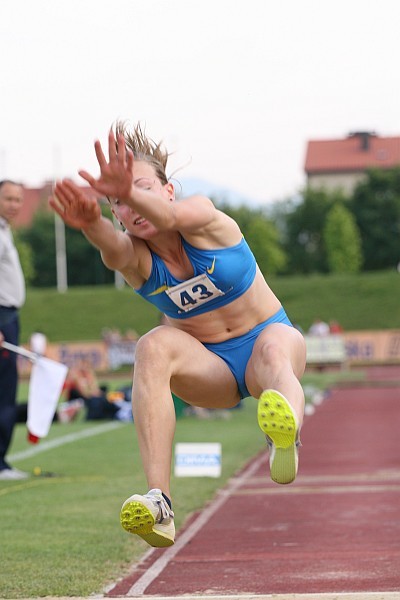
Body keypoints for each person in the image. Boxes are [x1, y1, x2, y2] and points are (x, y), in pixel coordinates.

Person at [50, 123, 306, 547]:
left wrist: (128, 192)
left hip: (267, 340)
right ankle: (160, 503)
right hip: (212, 372)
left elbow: (166, 218)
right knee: (152, 345)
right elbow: (113, 252)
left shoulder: (203, 215)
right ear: (115, 213)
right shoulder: (137, 258)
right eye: (118, 201)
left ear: (168, 191)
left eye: (142, 189)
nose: (131, 206)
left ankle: (285, 434)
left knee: (274, 350)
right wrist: (91, 226)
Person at [0, 180, 29, 480]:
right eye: (8, 198)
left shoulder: (5, 231)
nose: (15, 204)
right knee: (5, 392)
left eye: (19, 200)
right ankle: (0, 464)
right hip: (1, 318)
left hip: (8, 316)